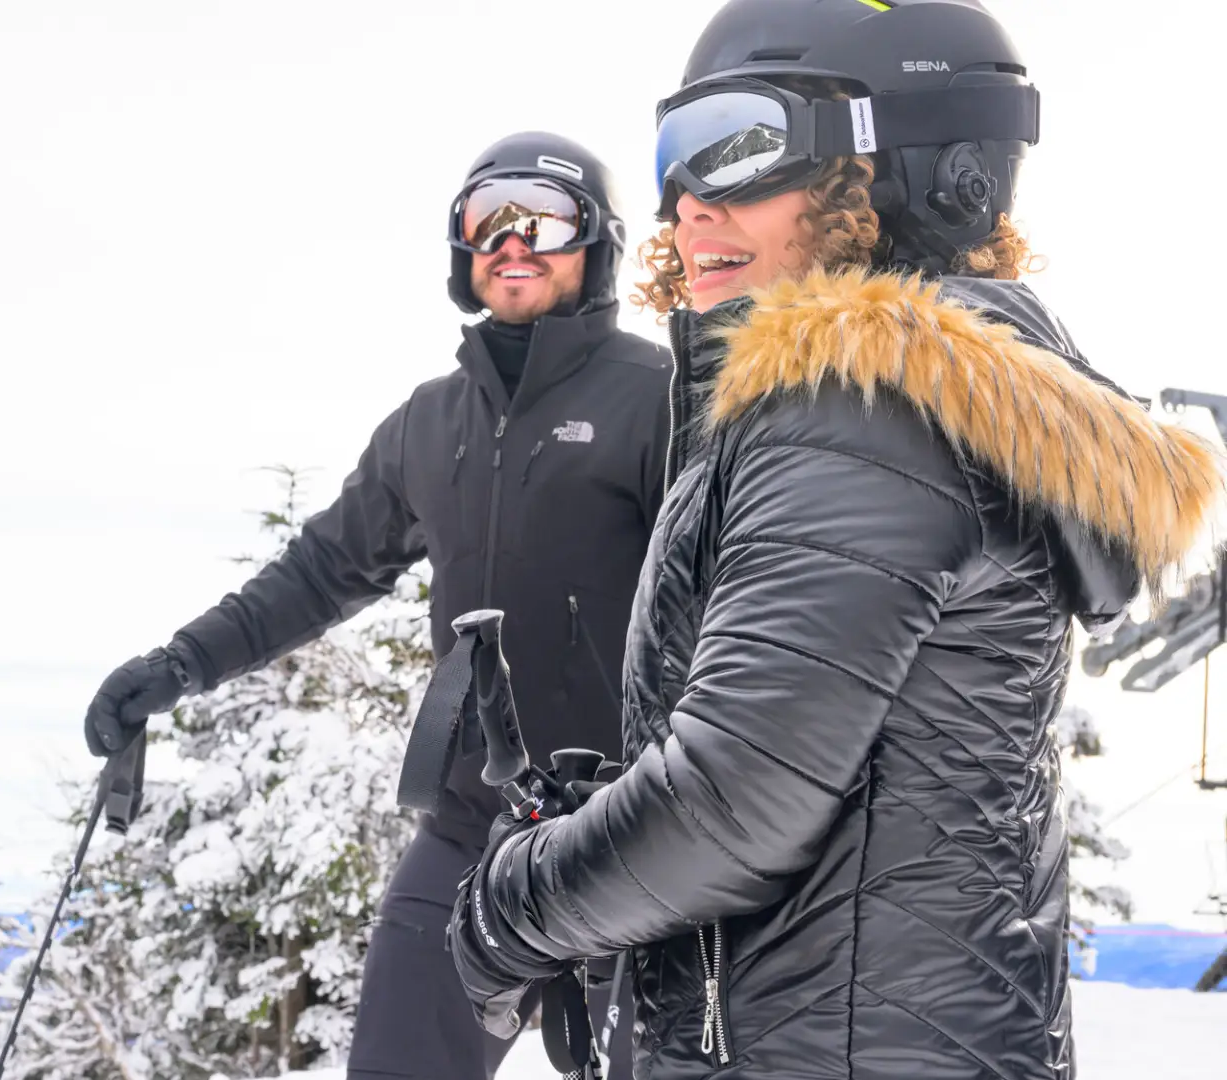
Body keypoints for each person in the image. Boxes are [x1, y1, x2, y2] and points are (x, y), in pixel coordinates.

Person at [446, 2, 1227, 1078]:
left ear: (897, 168)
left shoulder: (857, 410)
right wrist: (613, 817)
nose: (685, 202)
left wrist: (508, 909)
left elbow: (730, 807)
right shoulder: (938, 411)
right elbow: (852, 779)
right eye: (674, 157)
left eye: (738, 146)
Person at [83, 131, 671, 1078]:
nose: (513, 243)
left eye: (543, 218)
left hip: (636, 830)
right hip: (474, 823)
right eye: (488, 222)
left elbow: (734, 603)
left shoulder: (662, 397)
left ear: (595, 242)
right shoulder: (429, 422)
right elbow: (323, 571)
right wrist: (179, 664)